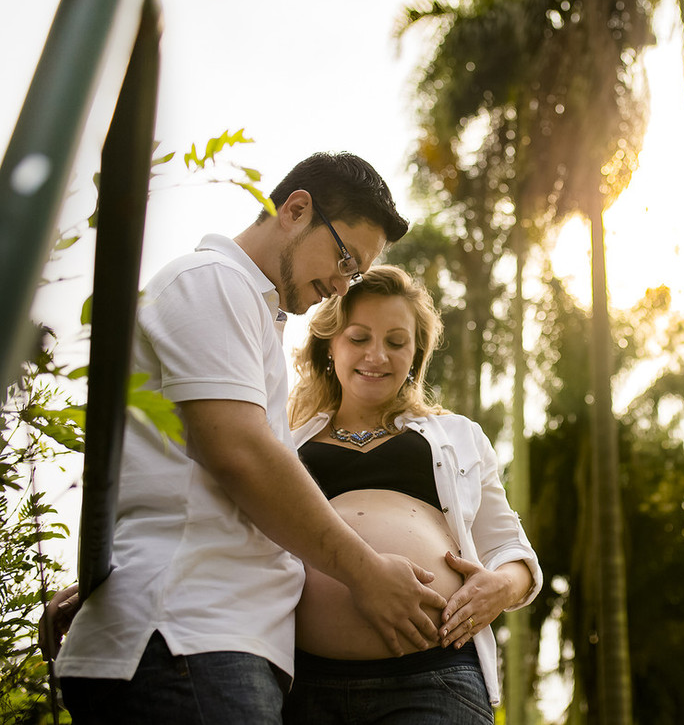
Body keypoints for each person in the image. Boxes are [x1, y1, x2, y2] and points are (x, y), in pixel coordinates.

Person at [51, 152, 444, 724]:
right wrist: (365, 572)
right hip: (193, 639)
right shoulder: (212, 282)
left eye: (353, 273)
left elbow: (175, 481)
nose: (340, 285)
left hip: (200, 639)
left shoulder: (249, 311)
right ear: (296, 209)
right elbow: (239, 455)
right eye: (343, 258)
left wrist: (109, 575)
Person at [284, 265, 541, 725]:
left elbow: (508, 548)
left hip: (433, 679)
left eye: (396, 342)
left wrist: (501, 586)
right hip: (301, 685)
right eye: (359, 338)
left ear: (415, 353)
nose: (377, 355)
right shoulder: (283, 439)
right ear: (330, 346)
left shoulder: (459, 436)